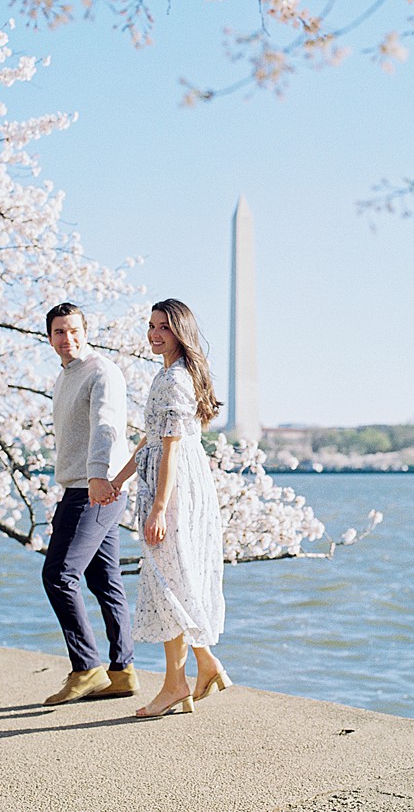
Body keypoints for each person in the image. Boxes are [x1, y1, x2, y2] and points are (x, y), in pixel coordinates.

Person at [111, 298, 231, 718]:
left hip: (176, 488)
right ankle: (203, 667)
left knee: (167, 582)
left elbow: (172, 449)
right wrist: (119, 479)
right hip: (172, 482)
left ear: (181, 333)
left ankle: (176, 683)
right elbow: (150, 438)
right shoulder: (167, 376)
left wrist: (160, 507)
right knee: (172, 580)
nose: (154, 334)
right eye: (151, 325)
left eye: (163, 327)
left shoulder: (176, 381)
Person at [41, 302, 139, 705]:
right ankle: (123, 671)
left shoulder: (102, 372)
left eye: (74, 330)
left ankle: (86, 668)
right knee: (104, 580)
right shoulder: (64, 377)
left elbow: (106, 425)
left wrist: (99, 476)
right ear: (49, 338)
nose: (68, 339)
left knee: (59, 575)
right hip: (80, 485)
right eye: (60, 332)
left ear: (87, 331)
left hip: (95, 487)